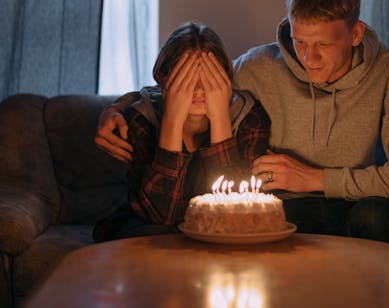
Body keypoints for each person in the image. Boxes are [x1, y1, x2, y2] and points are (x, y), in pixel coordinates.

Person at [95, 0, 389, 245]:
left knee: (377, 216)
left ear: (355, 33)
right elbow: (185, 86)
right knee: (245, 230)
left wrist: (315, 178)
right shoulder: (258, 66)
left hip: (356, 205)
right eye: (299, 41)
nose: (308, 58)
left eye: (323, 45)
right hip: (283, 207)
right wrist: (116, 107)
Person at [93, 21, 270, 241]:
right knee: (153, 234)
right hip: (149, 223)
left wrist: (220, 119)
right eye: (185, 77)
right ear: (163, 79)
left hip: (216, 228)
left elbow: (231, 213)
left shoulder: (248, 117)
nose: (197, 89)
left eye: (208, 77)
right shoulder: (141, 118)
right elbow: (159, 216)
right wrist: (172, 121)